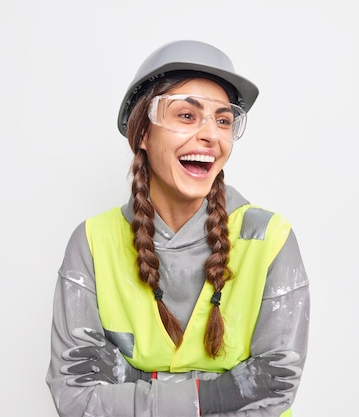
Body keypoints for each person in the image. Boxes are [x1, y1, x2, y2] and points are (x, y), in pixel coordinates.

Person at [46, 39, 310, 417]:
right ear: (142, 133)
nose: (211, 134)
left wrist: (131, 376)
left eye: (223, 119)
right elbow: (75, 398)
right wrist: (222, 391)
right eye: (186, 115)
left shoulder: (269, 239)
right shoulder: (92, 243)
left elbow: (273, 388)